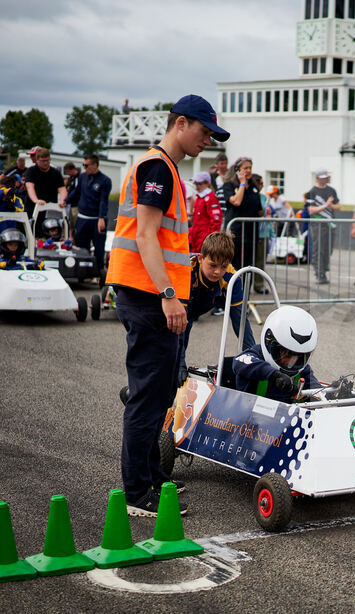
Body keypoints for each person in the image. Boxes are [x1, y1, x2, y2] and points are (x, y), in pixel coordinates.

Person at [106, 93, 229, 516]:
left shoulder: (168, 169)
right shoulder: (157, 166)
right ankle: (138, 493)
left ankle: (154, 479)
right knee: (148, 396)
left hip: (152, 295)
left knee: (160, 397)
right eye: (204, 131)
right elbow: (145, 235)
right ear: (181, 123)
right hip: (148, 296)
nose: (208, 141)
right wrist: (170, 296)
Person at [179, 231, 256, 382]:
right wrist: (179, 363)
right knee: (167, 353)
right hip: (165, 307)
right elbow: (179, 320)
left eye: (223, 266)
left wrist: (254, 359)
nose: (217, 272)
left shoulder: (231, 277)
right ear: (200, 258)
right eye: (213, 265)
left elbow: (240, 322)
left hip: (193, 311)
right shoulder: (186, 270)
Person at [233, 305, 320, 402]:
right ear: (271, 343)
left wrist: (328, 395)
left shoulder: (302, 369)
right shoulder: (253, 356)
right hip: (248, 413)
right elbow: (238, 362)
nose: (291, 361)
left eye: (297, 357)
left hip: (285, 414)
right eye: (286, 354)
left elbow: (315, 390)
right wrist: (274, 375)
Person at [65, 154, 112, 274]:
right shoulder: (82, 177)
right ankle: (83, 272)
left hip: (96, 218)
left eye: (86, 165)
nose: (84, 167)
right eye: (83, 165)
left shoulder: (105, 180)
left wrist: (101, 217)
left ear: (95, 165)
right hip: (83, 218)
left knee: (99, 248)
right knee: (81, 247)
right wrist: (65, 201)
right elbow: (76, 192)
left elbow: (103, 201)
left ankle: (98, 273)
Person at [223, 157, 265, 291]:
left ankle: (245, 298)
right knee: (233, 267)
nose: (248, 171)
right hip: (235, 233)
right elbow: (236, 202)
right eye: (245, 168)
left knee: (248, 267)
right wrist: (241, 184)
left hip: (251, 234)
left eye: (250, 168)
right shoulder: (229, 185)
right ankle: (230, 298)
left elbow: (258, 209)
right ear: (237, 170)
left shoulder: (253, 187)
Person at [304, 167, 341, 284]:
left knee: (328, 249)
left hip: (330, 224)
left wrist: (330, 205)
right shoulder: (312, 192)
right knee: (318, 249)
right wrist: (325, 205)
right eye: (323, 178)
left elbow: (338, 206)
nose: (326, 180)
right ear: (317, 178)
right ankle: (319, 273)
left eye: (327, 178)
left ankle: (324, 269)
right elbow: (310, 210)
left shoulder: (332, 191)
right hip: (317, 224)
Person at [23, 147, 66, 220]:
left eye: (47, 160)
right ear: (37, 160)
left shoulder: (55, 173)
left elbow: (62, 189)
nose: (46, 163)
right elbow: (30, 187)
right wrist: (36, 200)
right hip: (33, 209)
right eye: (43, 161)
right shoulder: (31, 171)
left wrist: (62, 200)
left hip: (50, 210)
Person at [188, 171, 221, 252]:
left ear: (207, 184)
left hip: (204, 240)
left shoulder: (211, 198)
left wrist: (211, 240)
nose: (197, 186)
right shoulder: (199, 197)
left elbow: (216, 220)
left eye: (200, 184)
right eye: (195, 184)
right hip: (196, 238)